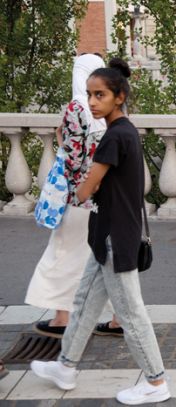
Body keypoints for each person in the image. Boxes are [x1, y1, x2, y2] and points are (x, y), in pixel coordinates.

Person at [30, 58, 170, 405]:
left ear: (119, 97)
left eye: (100, 95)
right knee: (84, 304)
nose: (92, 102)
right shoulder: (125, 132)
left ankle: (155, 383)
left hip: (113, 238)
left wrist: (66, 145)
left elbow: (83, 190)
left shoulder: (113, 138)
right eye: (90, 94)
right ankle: (65, 367)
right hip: (108, 233)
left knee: (131, 312)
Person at [25, 54, 106, 339]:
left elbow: (73, 158)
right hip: (101, 194)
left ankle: (62, 318)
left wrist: (61, 141)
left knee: (61, 253)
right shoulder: (105, 106)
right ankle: (113, 317)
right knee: (93, 256)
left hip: (78, 195)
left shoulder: (77, 107)